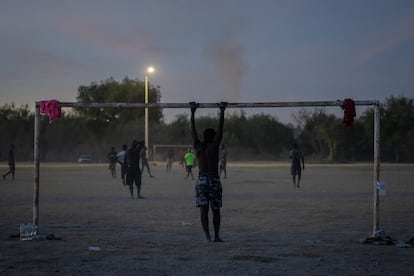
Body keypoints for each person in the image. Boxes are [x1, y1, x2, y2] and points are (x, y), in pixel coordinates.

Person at [190, 101, 226, 242]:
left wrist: (192, 112)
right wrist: (222, 111)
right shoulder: (214, 146)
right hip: (213, 180)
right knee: (215, 209)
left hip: (201, 180)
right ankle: (216, 236)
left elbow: (193, 132)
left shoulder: (198, 146)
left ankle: (207, 237)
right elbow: (221, 129)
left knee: (203, 210)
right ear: (212, 137)